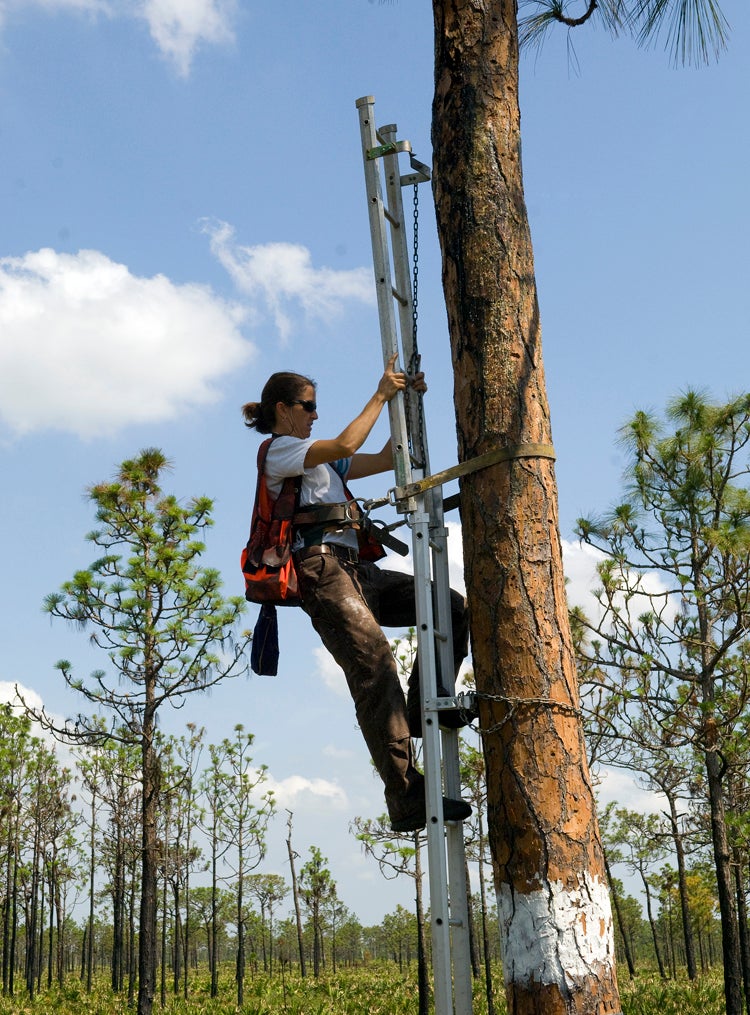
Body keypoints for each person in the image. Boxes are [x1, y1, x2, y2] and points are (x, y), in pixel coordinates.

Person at [242, 355, 471, 833]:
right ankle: (406, 795)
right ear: (283, 409)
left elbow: (388, 458)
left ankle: (422, 711)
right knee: (374, 664)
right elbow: (348, 440)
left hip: (357, 569)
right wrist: (382, 393)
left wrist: (407, 401)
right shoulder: (279, 451)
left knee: (450, 607)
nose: (314, 414)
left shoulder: (326, 462)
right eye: (308, 406)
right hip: (320, 569)